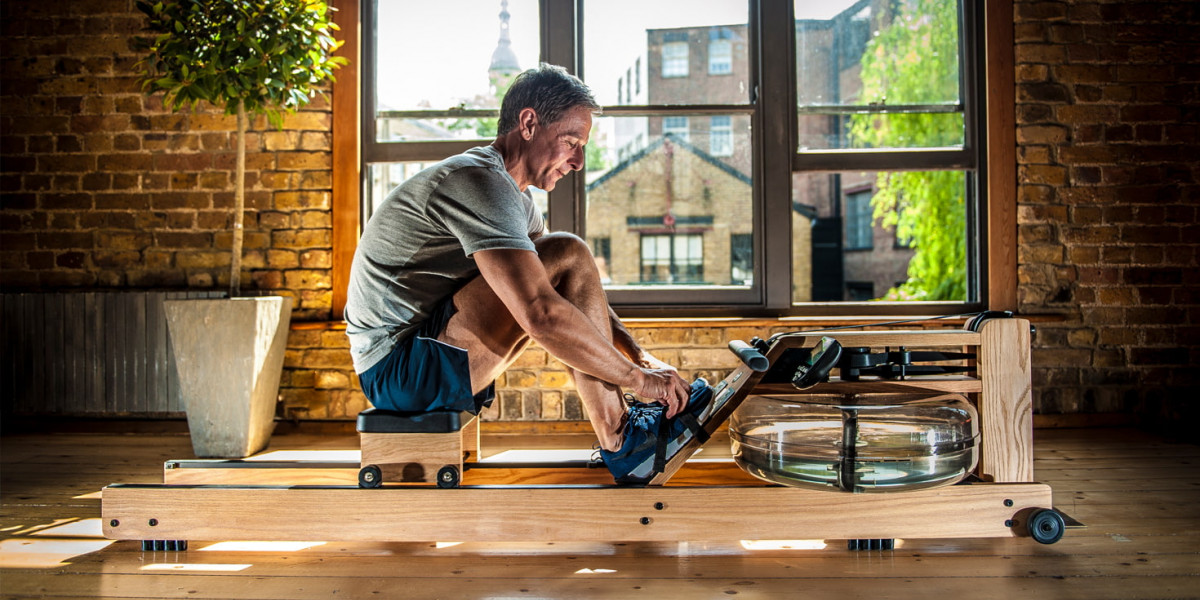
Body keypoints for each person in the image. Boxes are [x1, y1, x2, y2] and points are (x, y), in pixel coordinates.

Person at [344, 64, 714, 484]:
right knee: (567, 250)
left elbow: (572, 288)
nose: (577, 161)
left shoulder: (512, 198)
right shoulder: (479, 183)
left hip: (422, 354)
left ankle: (624, 427)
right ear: (528, 123)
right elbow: (541, 312)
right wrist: (639, 380)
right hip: (400, 369)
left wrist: (640, 357)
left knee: (564, 254)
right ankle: (625, 441)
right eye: (570, 142)